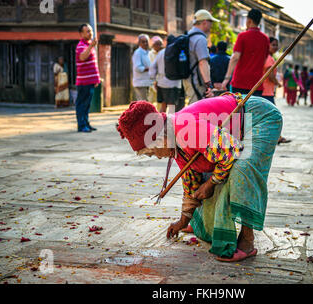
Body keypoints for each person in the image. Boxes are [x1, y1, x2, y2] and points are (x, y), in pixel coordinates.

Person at [116, 92, 283, 262]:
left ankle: (247, 240)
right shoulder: (177, 145)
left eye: (152, 152)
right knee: (205, 171)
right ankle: (200, 224)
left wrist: (211, 182)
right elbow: (191, 182)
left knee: (242, 168)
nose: (158, 156)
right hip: (239, 126)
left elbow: (231, 152)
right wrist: (182, 221)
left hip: (260, 116)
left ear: (161, 139)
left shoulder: (186, 129)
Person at [221, 8, 270, 96]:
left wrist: (226, 78)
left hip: (240, 81)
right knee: (254, 109)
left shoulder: (242, 36)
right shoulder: (265, 39)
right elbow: (264, 59)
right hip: (257, 83)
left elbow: (235, 58)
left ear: (249, 20)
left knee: (239, 108)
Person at [183, 9, 219, 104]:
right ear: (204, 22)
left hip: (188, 79)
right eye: (210, 22)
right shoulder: (200, 39)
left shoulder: (189, 35)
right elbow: (203, 62)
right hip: (197, 82)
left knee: (192, 107)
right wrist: (209, 85)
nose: (211, 25)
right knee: (197, 110)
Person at [262, 37, 291, 145]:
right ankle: (277, 137)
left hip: (266, 91)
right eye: (273, 44)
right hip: (266, 92)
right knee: (274, 115)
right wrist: (277, 83)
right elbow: (270, 74)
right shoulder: (269, 58)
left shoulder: (267, 57)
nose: (276, 47)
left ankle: (276, 136)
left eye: (276, 45)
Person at [75, 24, 100, 133]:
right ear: (81, 34)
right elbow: (82, 57)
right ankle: (81, 125)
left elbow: (93, 64)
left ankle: (86, 123)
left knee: (87, 104)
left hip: (90, 81)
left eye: (91, 31)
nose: (91, 33)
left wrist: (96, 79)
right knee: (82, 104)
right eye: (88, 31)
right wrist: (91, 47)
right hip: (84, 81)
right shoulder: (81, 45)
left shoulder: (88, 45)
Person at [150, 35, 181, 114]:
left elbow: (153, 67)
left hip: (161, 83)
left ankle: (161, 123)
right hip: (174, 83)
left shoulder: (161, 53)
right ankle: (170, 125)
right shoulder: (177, 52)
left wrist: (154, 79)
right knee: (172, 106)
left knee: (163, 105)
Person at [132, 34, 153, 101]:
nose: (145, 43)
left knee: (147, 103)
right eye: (143, 42)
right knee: (143, 103)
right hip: (140, 82)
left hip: (148, 82)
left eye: (146, 41)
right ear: (139, 43)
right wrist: (149, 68)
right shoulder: (138, 53)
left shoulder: (148, 52)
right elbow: (137, 68)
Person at [148, 36, 164, 105]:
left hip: (161, 80)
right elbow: (151, 67)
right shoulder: (150, 54)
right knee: (150, 100)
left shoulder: (163, 53)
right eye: (157, 44)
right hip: (152, 80)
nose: (159, 46)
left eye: (160, 44)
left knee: (160, 101)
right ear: (153, 45)